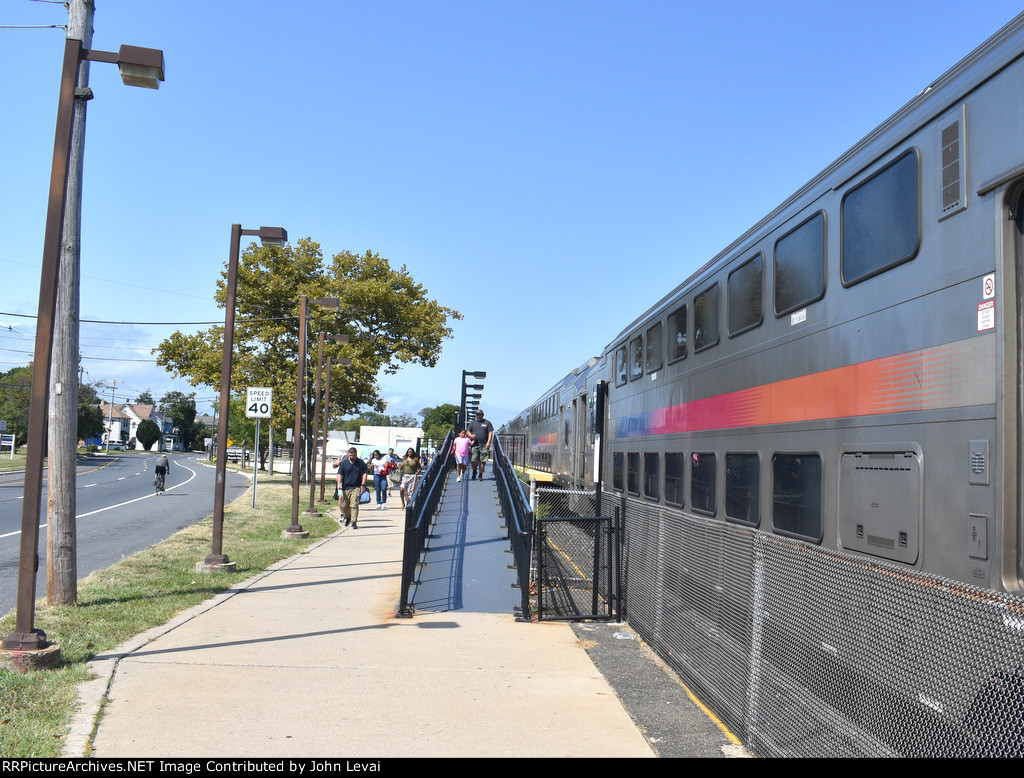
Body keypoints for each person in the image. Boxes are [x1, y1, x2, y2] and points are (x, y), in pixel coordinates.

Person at [333, 447, 368, 528]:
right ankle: (348, 517)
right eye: (350, 455)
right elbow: (339, 474)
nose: (352, 457)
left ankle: (353, 522)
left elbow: (364, 474)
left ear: (356, 454)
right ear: (348, 454)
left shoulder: (360, 462)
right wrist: (339, 484)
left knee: (354, 505)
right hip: (345, 487)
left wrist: (363, 485)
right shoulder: (344, 463)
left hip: (356, 487)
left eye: (353, 455)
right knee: (344, 505)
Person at [468, 410, 495, 481]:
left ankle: (480, 475)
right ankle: (474, 471)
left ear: (482, 415)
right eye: (477, 415)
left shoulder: (487, 423)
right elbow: (467, 431)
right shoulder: (473, 423)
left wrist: (489, 442)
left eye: (479, 414)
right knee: (474, 460)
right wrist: (471, 436)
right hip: (475, 445)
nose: (478, 416)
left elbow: (490, 433)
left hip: (484, 445)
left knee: (482, 461)